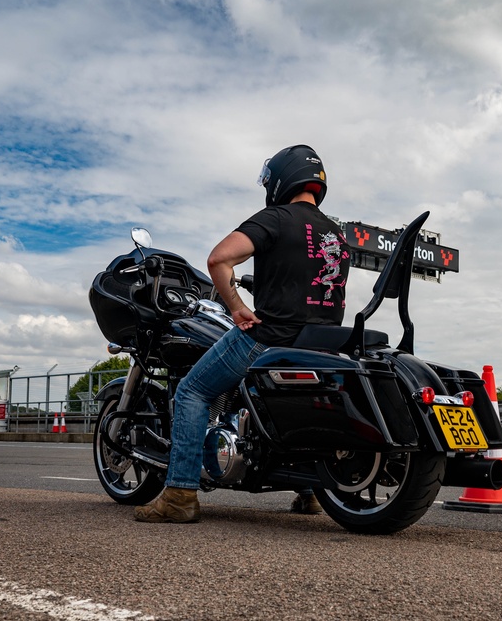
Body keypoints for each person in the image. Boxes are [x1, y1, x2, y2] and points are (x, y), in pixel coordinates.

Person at [134, 144, 351, 523]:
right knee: (295, 409)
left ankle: (179, 495)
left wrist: (236, 307)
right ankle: (311, 492)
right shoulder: (336, 233)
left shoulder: (276, 218)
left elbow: (219, 259)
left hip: (270, 337)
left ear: (282, 179)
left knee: (192, 390)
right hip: (322, 344)